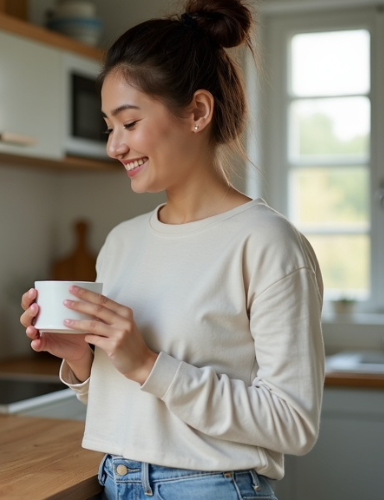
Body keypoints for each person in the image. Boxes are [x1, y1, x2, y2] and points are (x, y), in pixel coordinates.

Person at [20, 0, 325, 498]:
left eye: (129, 122)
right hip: (116, 480)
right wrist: (81, 361)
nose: (114, 146)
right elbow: (137, 407)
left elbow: (293, 423)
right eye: (108, 127)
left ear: (198, 111)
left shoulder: (268, 244)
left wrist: (146, 363)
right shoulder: (121, 242)